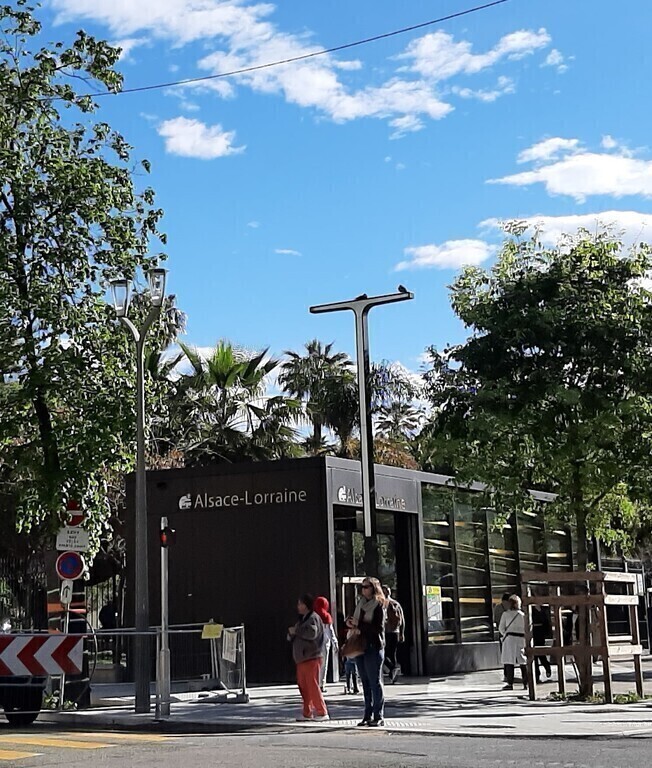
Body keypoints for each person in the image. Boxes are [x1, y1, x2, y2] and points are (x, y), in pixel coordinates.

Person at [347, 577, 386, 727]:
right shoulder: (361, 604)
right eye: (362, 587)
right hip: (359, 646)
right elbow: (356, 620)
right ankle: (367, 715)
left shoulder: (379, 605)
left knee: (374, 681)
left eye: (366, 587)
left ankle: (378, 715)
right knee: (364, 681)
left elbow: (378, 629)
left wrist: (360, 624)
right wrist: (350, 623)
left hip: (373, 647)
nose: (363, 590)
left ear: (374, 588)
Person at [288, 594, 329, 721]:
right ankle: (307, 712)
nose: (298, 606)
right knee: (303, 686)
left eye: (300, 603)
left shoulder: (313, 618)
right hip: (302, 658)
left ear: (306, 605)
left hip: (311, 657)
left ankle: (322, 712)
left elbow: (312, 633)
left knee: (312, 685)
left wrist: (296, 631)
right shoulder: (302, 619)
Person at [498, 594, 528, 691]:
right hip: (520, 638)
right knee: (522, 661)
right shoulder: (523, 615)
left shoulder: (506, 614)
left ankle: (510, 683)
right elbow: (527, 628)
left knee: (509, 662)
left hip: (509, 639)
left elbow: (501, 628)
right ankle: (526, 683)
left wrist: (505, 634)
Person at [314, 596, 338, 692]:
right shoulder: (327, 616)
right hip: (325, 643)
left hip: (314, 644)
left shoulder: (313, 616)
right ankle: (321, 685)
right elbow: (330, 631)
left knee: (315, 665)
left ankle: (314, 684)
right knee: (324, 665)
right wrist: (335, 642)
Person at [382, 585, 404, 684]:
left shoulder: (382, 604)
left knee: (384, 653)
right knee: (392, 653)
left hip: (385, 631)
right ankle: (394, 670)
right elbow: (402, 620)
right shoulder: (396, 604)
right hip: (395, 631)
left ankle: (393, 669)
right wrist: (401, 633)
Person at [531, 604, 552, 683]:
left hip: (540, 633)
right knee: (534, 656)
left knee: (541, 653)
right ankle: (536, 675)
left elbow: (546, 621)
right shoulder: (530, 609)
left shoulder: (543, 610)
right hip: (532, 632)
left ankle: (547, 667)